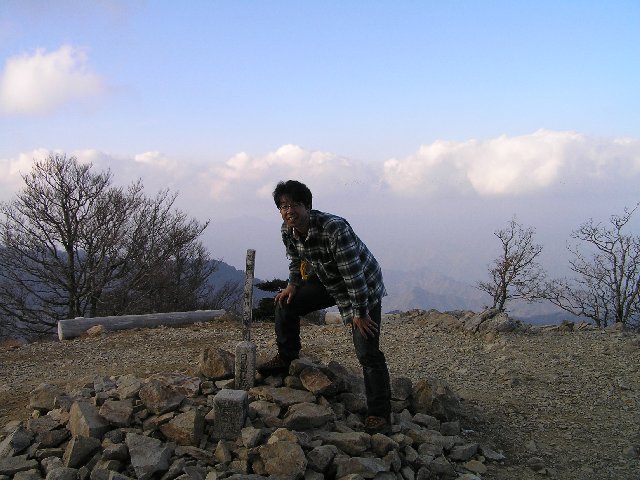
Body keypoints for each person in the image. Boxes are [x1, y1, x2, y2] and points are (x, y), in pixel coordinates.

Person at [258, 179, 392, 434]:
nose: (289, 211)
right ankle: (287, 358)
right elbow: (295, 257)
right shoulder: (288, 230)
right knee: (286, 303)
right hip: (328, 278)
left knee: (367, 350)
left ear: (308, 206)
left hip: (363, 284)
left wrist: (360, 313)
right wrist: (293, 285)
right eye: (284, 206)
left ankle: (380, 414)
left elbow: (354, 276)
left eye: (295, 204)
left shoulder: (334, 228)